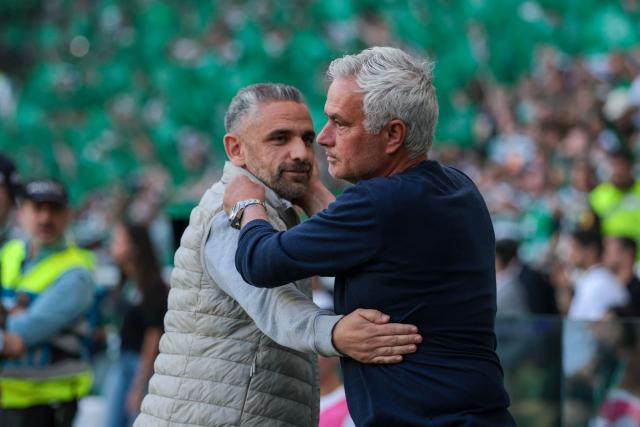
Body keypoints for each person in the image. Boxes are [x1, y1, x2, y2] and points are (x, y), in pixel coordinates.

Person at [226, 47, 514, 426]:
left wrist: (246, 204)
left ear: (393, 134)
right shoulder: (456, 187)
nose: (324, 139)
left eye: (340, 123)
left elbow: (260, 261)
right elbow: (359, 240)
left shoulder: (380, 203)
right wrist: (313, 191)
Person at [134, 83, 422, 427]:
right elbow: (272, 304)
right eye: (280, 139)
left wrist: (313, 191)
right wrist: (338, 333)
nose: (301, 153)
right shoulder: (227, 211)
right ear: (236, 149)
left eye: (307, 139)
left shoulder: (276, 208)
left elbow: (357, 252)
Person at [0, 179, 95, 427]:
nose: (45, 218)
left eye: (54, 209)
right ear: (22, 213)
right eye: (37, 208)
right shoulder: (8, 253)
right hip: (8, 400)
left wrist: (7, 321)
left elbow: (17, 339)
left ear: (68, 215)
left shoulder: (76, 273)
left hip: (47, 406)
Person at [103, 222, 168, 427]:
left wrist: (139, 384)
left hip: (139, 366)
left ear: (134, 248)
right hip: (120, 361)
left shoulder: (153, 286)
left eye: (118, 241)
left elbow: (152, 336)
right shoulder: (125, 283)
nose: (112, 247)